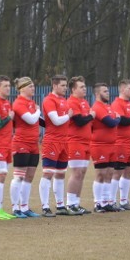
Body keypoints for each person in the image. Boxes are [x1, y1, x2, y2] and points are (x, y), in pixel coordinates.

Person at [38, 74, 73, 217]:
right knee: (48, 173)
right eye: (63, 85)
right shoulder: (49, 100)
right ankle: (45, 206)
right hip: (52, 141)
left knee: (61, 174)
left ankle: (60, 205)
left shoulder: (64, 101)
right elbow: (56, 121)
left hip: (65, 141)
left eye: (66, 85)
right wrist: (69, 116)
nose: (65, 88)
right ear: (55, 85)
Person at [10, 77, 41, 218]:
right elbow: (31, 119)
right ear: (22, 89)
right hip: (21, 143)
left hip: (34, 144)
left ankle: (25, 207)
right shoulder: (18, 103)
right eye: (30, 86)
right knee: (19, 177)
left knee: (29, 176)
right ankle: (15, 208)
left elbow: (36, 120)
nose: (33, 88)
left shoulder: (31, 103)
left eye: (33, 86)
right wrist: (38, 111)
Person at [0, 76, 17, 220]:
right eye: (5, 86)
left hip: (7, 144)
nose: (8, 88)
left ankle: (0, 208)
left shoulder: (7, 102)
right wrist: (9, 118)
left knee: (3, 175)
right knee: (0, 174)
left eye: (9, 85)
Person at [90, 83, 121, 213]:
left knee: (109, 173)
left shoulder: (108, 107)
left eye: (108, 90)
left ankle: (107, 201)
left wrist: (116, 118)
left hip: (112, 145)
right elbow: (111, 122)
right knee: (101, 174)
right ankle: (98, 203)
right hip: (99, 145)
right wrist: (118, 118)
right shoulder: (97, 107)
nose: (108, 93)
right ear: (97, 94)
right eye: (105, 91)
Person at [65, 76, 93, 214]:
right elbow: (80, 121)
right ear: (73, 89)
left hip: (86, 142)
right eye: (81, 87)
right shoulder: (71, 102)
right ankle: (70, 204)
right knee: (76, 173)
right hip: (75, 141)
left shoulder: (85, 103)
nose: (84, 89)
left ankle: (76, 203)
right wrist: (92, 116)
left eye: (85, 86)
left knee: (82, 173)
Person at [111, 79, 130, 210]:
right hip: (121, 143)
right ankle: (111, 201)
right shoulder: (117, 103)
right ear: (122, 89)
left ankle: (124, 201)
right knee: (117, 172)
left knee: (129, 172)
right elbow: (121, 120)